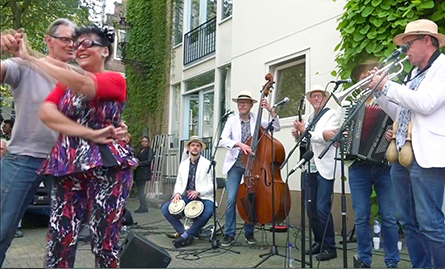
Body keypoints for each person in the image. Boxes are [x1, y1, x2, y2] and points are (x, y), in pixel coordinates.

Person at [15, 25, 136, 267]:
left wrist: (29, 57)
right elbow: (47, 114)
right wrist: (90, 133)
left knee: (104, 243)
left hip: (107, 167)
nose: (79, 48)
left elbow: (84, 85)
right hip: (67, 166)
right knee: (59, 241)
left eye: (87, 43)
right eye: (76, 44)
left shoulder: (115, 79)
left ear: (104, 51)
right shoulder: (64, 85)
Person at [0, 18, 78, 266]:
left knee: (65, 236)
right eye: (65, 39)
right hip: (23, 157)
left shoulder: (78, 78)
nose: (72, 45)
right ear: (49, 41)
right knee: (2, 227)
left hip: (65, 163)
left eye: (75, 40)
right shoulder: (23, 65)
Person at [369, 19, 445, 268]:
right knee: (407, 220)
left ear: (427, 41)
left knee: (431, 223)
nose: (405, 51)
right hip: (402, 154)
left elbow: (425, 103)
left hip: (427, 155)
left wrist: (388, 85)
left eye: (408, 44)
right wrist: (380, 93)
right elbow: (400, 113)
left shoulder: (442, 68)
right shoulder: (413, 74)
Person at [347, 60, 399, 268]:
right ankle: (364, 260)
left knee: (389, 216)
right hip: (358, 167)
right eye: (363, 78)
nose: (367, 81)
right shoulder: (351, 105)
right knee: (361, 216)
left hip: (384, 166)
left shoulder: (389, 100)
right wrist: (345, 137)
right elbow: (344, 135)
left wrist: (393, 134)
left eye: (370, 77)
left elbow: (404, 122)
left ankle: (392, 261)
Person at [219, 90, 280, 247]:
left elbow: (277, 127)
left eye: (245, 102)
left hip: (253, 167)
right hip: (236, 164)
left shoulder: (257, 119)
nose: (242, 105)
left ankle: (249, 232)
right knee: (232, 198)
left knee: (252, 198)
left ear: (252, 104)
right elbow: (222, 140)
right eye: (240, 102)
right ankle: (229, 234)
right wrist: (239, 144)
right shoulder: (232, 121)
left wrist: (270, 110)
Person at [292, 85, 339, 261]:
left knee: (322, 207)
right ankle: (319, 241)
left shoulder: (331, 115)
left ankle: (330, 246)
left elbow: (327, 136)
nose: (316, 98)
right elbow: (308, 139)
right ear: (310, 100)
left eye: (319, 95)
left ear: (325, 98)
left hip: (325, 166)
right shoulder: (310, 117)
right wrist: (298, 135)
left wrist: (306, 132)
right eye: (313, 96)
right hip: (309, 166)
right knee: (310, 208)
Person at [161, 136, 214, 248]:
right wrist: (177, 194)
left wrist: (198, 192)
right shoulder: (183, 164)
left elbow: (212, 185)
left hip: (204, 196)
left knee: (208, 212)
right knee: (166, 209)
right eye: (193, 145)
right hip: (188, 196)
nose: (195, 148)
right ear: (189, 148)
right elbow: (179, 182)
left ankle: (188, 235)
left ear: (201, 149)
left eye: (197, 145)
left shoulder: (208, 164)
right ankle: (183, 233)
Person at [134, 136, 155, 213]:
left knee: (141, 190)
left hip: (144, 172)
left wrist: (139, 164)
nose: (144, 143)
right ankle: (142, 205)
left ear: (148, 142)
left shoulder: (149, 151)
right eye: (142, 141)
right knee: (139, 190)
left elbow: (149, 161)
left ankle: (144, 206)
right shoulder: (140, 150)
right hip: (138, 172)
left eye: (145, 141)